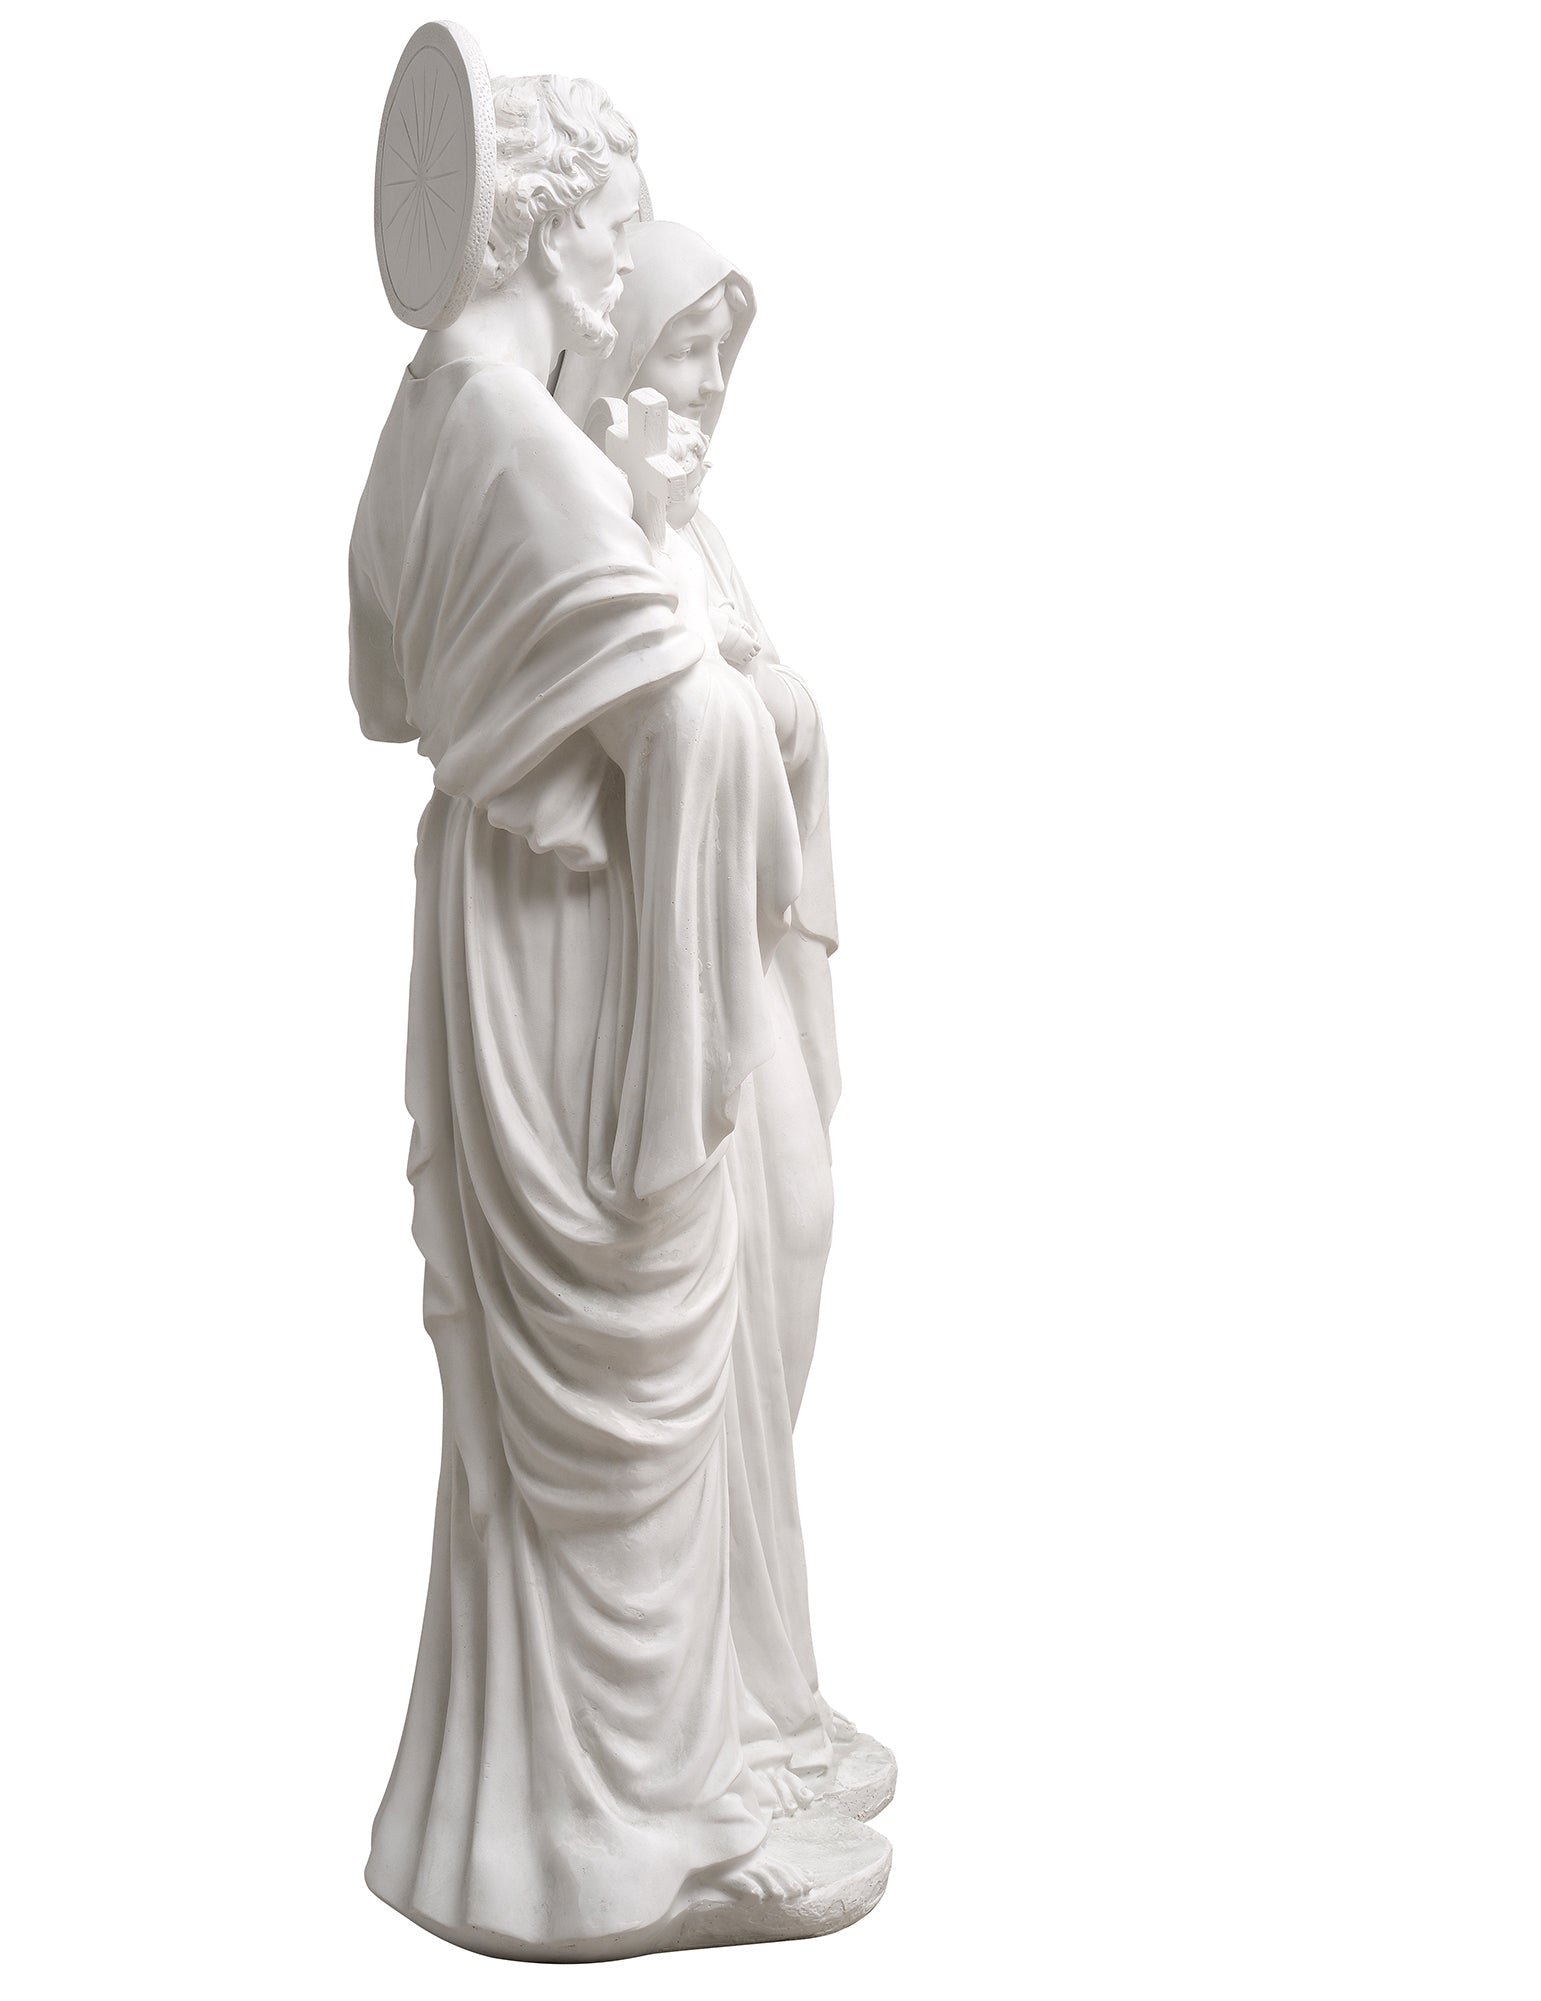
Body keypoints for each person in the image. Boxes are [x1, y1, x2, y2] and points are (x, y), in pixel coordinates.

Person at [347, 79, 886, 1959]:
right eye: (607, 220)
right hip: (586, 952)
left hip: (517, 917)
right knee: (622, 1394)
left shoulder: (429, 413)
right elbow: (671, 722)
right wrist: (730, 687)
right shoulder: (508, 429)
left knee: (560, 1408)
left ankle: (563, 1806)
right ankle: (640, 1830)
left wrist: (666, 661)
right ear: (536, 224)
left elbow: (391, 677)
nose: (618, 254)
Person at [555, 220, 892, 1822]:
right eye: (683, 350)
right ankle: (706, 1682)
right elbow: (613, 732)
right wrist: (738, 688)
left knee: (800, 1228)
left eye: (716, 356)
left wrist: (780, 703)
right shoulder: (584, 515)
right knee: (723, 1281)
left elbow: (747, 690)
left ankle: (752, 1653)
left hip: (740, 944)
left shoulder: (691, 523)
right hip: (662, 974)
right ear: (618, 355)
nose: (704, 385)